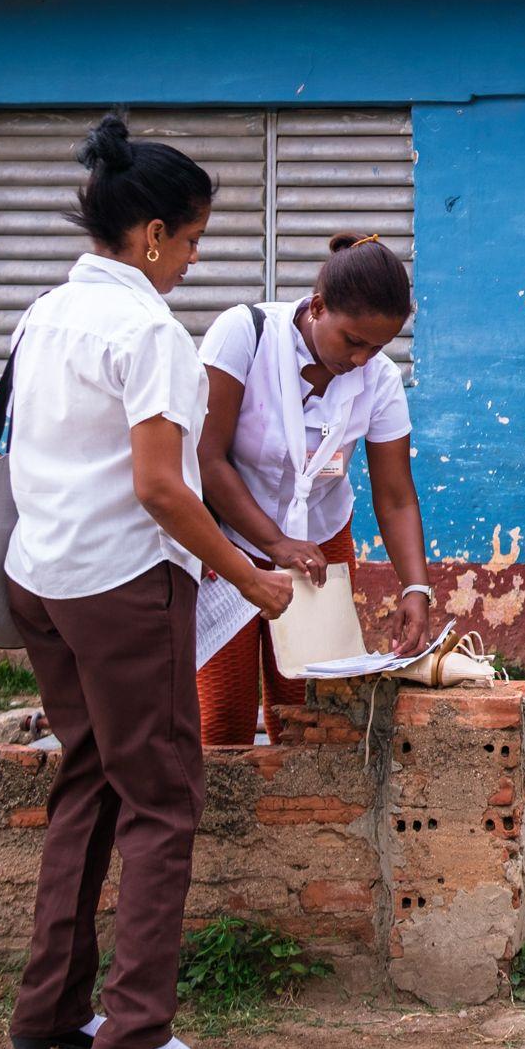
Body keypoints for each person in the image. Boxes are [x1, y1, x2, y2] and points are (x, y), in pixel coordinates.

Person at [2, 114, 293, 1049]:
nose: (195, 257)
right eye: (197, 236)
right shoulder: (147, 332)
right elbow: (163, 487)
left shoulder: (45, 312)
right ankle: (139, 1029)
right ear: (155, 234)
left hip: (40, 575)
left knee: (86, 781)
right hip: (121, 588)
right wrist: (249, 575)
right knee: (163, 797)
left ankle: (50, 1009)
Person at [193, 231, 431, 745]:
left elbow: (395, 496)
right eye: (353, 341)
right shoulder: (245, 334)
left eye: (379, 347)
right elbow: (207, 459)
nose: (362, 359)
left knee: (310, 715)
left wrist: (416, 586)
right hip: (228, 543)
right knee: (223, 721)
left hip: (319, 545)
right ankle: (224, 824)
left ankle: (301, 823)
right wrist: (275, 545)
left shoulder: (380, 379)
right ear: (317, 308)